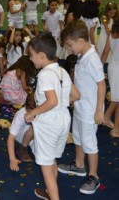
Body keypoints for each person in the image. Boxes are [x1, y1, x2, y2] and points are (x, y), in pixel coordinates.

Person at [25, 32, 80, 200]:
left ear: (42, 56)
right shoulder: (61, 70)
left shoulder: (45, 75)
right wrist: (62, 103)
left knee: (46, 167)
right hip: (63, 119)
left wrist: (32, 113)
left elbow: (51, 101)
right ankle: (50, 192)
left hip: (49, 122)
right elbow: (76, 95)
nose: (30, 59)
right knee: (52, 160)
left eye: (32, 55)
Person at [58, 20, 106, 195]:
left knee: (89, 143)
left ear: (79, 40)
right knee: (77, 137)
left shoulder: (92, 59)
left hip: (89, 111)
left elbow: (101, 85)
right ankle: (79, 165)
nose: (70, 48)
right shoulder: (81, 56)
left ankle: (93, 175)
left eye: (70, 45)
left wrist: (99, 110)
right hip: (80, 107)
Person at [7, 92, 36, 166]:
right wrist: (12, 159)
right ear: (26, 108)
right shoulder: (20, 115)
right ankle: (23, 148)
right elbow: (11, 138)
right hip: (21, 136)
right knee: (33, 127)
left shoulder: (41, 111)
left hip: (33, 136)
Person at [101, 20, 119, 137]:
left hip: (113, 67)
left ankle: (116, 129)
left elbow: (105, 52)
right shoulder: (113, 35)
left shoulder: (112, 34)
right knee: (116, 99)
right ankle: (106, 117)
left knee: (117, 99)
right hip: (117, 69)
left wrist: (99, 70)